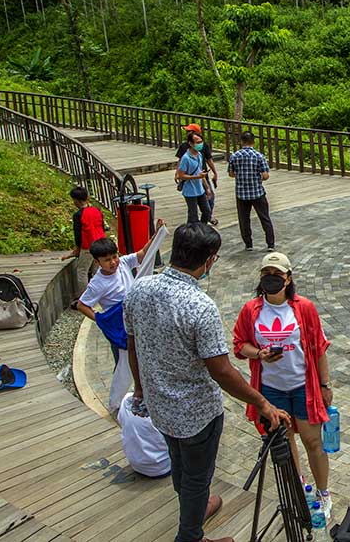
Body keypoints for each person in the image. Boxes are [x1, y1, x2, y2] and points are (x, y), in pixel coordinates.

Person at [125, 223, 291, 542]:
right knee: (197, 477)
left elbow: (133, 344)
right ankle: (191, 535)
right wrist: (262, 402)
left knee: (179, 464)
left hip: (159, 405)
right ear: (209, 261)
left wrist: (141, 388)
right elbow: (222, 370)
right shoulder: (200, 306)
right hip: (198, 415)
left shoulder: (139, 289)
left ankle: (195, 507)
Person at [232, 252, 334, 519]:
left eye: (277, 275)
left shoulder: (305, 308)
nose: (271, 279)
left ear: (288, 279)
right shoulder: (250, 310)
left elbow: (320, 348)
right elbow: (240, 344)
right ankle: (298, 487)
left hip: (303, 385)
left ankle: (323, 493)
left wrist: (325, 384)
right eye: (266, 274)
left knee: (313, 441)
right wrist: (259, 354)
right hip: (271, 389)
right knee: (286, 443)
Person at [76, 224, 165, 368]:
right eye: (107, 260)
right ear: (97, 262)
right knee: (123, 361)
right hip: (120, 323)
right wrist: (102, 320)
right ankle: (122, 388)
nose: (113, 262)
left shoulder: (122, 263)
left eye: (114, 257)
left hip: (135, 317)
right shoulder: (97, 283)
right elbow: (82, 305)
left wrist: (155, 236)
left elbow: (142, 255)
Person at [228, 131, 276, 252]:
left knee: (244, 220)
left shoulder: (235, 156)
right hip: (257, 192)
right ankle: (270, 244)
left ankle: (248, 244)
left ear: (241, 142)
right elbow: (265, 175)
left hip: (241, 193)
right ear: (253, 142)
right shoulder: (259, 156)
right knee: (264, 218)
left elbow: (231, 174)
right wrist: (257, 177)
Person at [61, 186, 107, 296]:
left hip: (88, 246)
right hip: (101, 243)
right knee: (97, 270)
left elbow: (78, 235)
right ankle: (100, 293)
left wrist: (78, 249)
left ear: (76, 200)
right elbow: (102, 226)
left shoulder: (78, 215)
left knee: (82, 271)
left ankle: (85, 297)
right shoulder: (97, 210)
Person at [116, 392, 171, 478]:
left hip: (136, 464)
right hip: (164, 466)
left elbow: (120, 421)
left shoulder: (126, 398)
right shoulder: (163, 407)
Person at [177, 124, 219, 225]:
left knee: (207, 211)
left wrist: (207, 188)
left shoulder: (199, 154)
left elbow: (202, 171)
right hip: (190, 190)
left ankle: (202, 228)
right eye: (197, 142)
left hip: (200, 188)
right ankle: (192, 232)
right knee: (193, 215)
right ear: (191, 144)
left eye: (201, 142)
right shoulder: (186, 157)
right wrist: (197, 177)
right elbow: (181, 175)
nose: (200, 144)